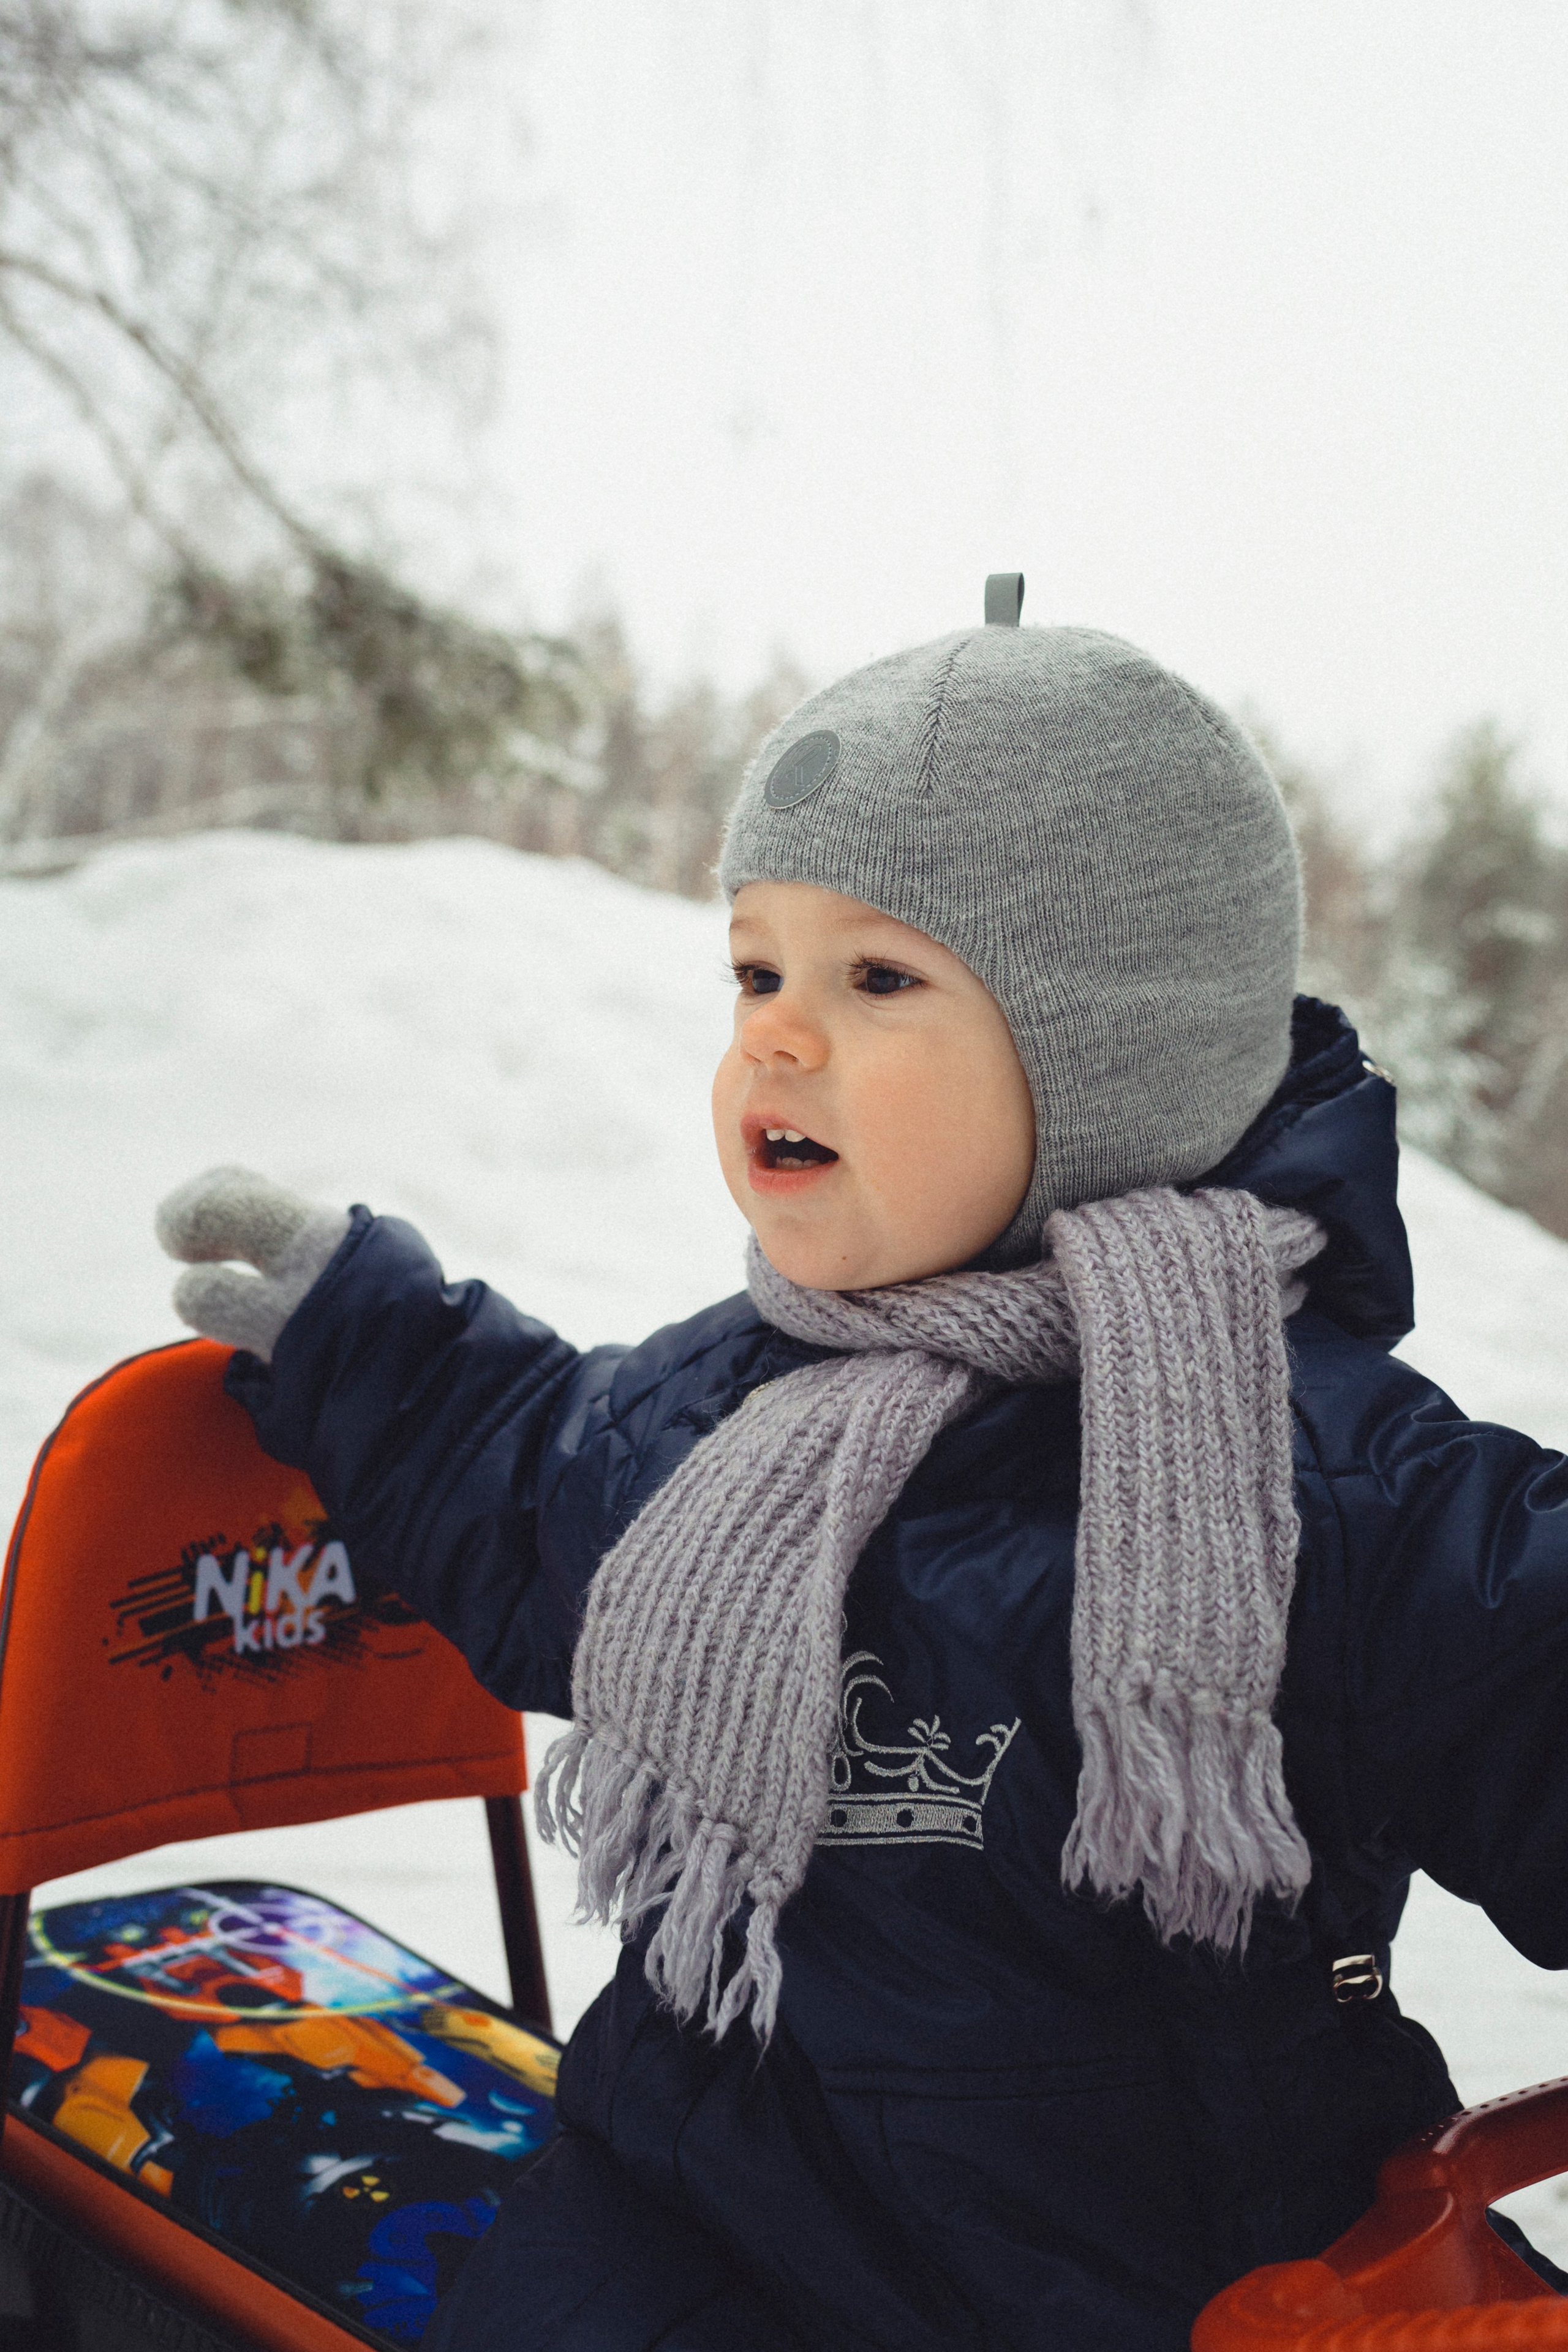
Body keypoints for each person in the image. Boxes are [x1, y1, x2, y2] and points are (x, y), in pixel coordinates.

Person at [156, 597, 1568, 2351]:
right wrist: (365, 1338)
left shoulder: (1323, 1492)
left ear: (1112, 1060)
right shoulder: (726, 1410)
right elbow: (519, 1475)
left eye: (877, 979)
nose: (778, 1038)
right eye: (757, 972)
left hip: (1156, 2287)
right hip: (675, 2247)